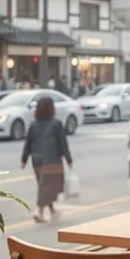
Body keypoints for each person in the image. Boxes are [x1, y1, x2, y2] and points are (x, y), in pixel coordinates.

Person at [21, 95, 73, 223]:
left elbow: (28, 143)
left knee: (44, 185)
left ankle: (52, 211)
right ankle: (38, 210)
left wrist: (24, 159)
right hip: (53, 161)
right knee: (48, 187)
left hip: (37, 161)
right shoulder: (56, 124)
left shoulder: (33, 125)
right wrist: (69, 159)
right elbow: (62, 143)